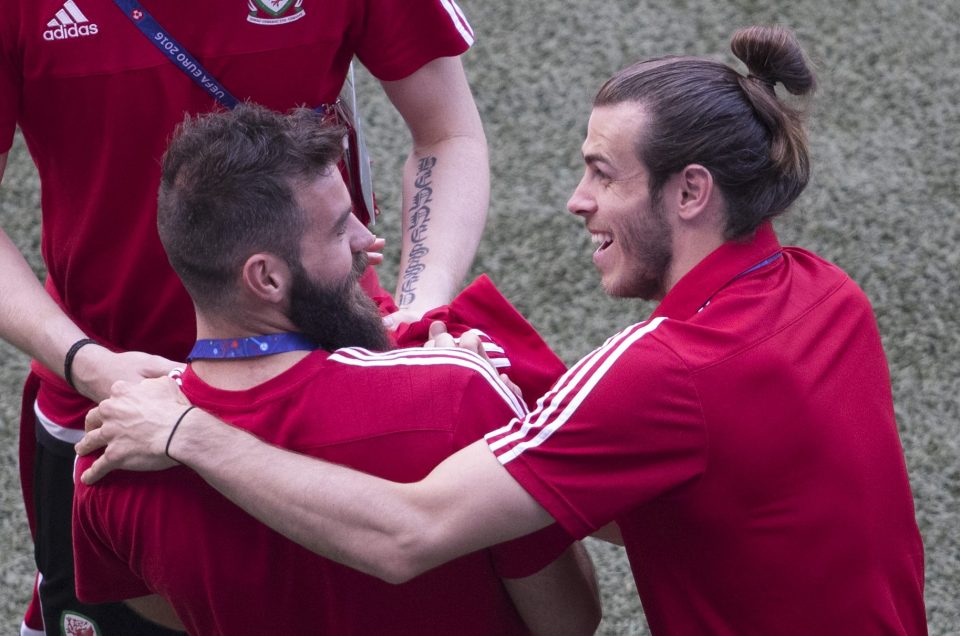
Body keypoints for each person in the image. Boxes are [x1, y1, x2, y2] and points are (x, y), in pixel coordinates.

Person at [80, 25, 929, 635]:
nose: (577, 200)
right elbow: (676, 486)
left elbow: (407, 535)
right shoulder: (830, 296)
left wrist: (191, 431)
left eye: (602, 172)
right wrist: (485, 389)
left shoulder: (663, 370)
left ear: (692, 191)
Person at [0, 0, 488, 632]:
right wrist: (86, 363)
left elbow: (447, 130)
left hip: (331, 367)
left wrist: (420, 305)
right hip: (111, 393)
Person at [72, 104, 600, 636]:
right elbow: (569, 619)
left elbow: (153, 605)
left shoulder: (111, 454)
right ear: (267, 279)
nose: (364, 241)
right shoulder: (458, 395)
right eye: (334, 229)